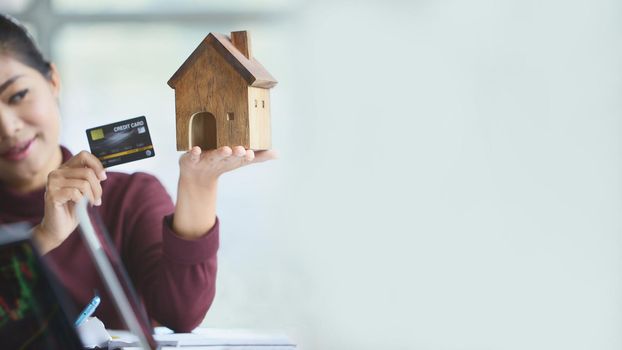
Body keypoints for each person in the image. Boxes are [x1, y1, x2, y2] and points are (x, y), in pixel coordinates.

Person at [0, 14, 276, 332]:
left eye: (17, 96)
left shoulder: (130, 198)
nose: (8, 127)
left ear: (52, 81)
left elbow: (180, 313)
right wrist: (44, 237)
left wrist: (199, 183)